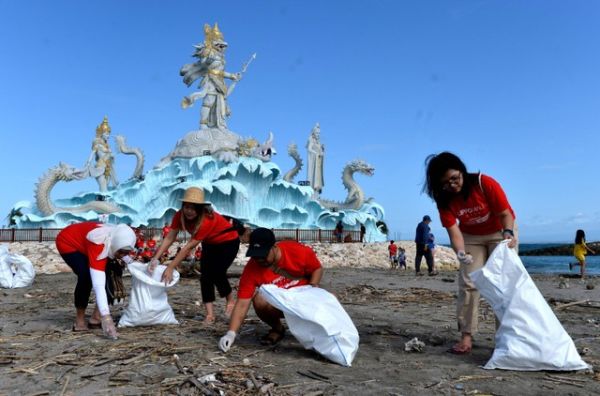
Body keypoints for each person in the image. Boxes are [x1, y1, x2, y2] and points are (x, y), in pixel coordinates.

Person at [423, 151, 517, 355]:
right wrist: (460, 253)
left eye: (454, 178)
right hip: (471, 236)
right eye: (445, 183)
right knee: (468, 282)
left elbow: (505, 214)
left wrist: (508, 233)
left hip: (500, 230)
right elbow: (454, 233)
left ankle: (504, 338)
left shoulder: (484, 183)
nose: (452, 185)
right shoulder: (444, 201)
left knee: (503, 285)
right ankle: (466, 335)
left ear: (462, 171)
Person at [218, 228, 323, 352]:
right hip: (280, 303)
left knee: (330, 300)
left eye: (263, 255)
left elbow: (317, 268)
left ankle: (316, 332)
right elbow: (242, 303)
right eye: (256, 256)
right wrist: (231, 333)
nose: (259, 260)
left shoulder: (297, 250)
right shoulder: (252, 268)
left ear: (274, 247)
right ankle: (278, 328)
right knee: (259, 299)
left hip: (302, 297)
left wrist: (313, 286)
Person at [150, 187, 240, 324]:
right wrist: (155, 258)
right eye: (187, 207)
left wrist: (171, 267)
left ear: (200, 209)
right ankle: (210, 314)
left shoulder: (207, 219)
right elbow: (170, 238)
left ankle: (230, 301)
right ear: (183, 206)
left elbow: (189, 247)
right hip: (210, 243)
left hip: (228, 242)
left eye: (193, 208)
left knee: (217, 272)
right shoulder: (179, 216)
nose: (189, 211)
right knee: (205, 277)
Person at [55, 222, 136, 339]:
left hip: (90, 243)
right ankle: (80, 320)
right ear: (115, 245)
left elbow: (123, 254)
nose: (123, 255)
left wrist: (136, 264)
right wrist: (107, 317)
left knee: (112, 272)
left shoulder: (119, 240)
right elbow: (98, 285)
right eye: (121, 252)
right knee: (86, 276)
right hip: (69, 242)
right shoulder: (98, 244)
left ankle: (96, 318)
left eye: (126, 252)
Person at [306, 123, 325, 196]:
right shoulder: (311, 140)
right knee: (313, 178)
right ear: (313, 133)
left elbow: (321, 152)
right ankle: (312, 190)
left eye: (319, 133)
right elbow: (309, 149)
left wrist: (322, 150)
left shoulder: (318, 142)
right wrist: (316, 153)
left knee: (318, 179)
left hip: (318, 163)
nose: (318, 134)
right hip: (314, 162)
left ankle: (317, 191)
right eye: (317, 133)